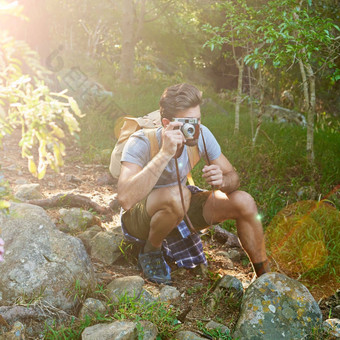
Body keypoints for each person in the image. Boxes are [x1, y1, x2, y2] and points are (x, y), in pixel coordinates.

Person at [117, 83, 270, 284]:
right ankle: (151, 251)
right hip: (140, 218)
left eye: (197, 120)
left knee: (244, 201)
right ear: (166, 123)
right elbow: (126, 199)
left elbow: (233, 176)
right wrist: (165, 153)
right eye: (187, 122)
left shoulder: (201, 134)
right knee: (177, 195)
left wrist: (223, 180)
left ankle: (264, 276)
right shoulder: (141, 141)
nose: (194, 128)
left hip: (180, 207)